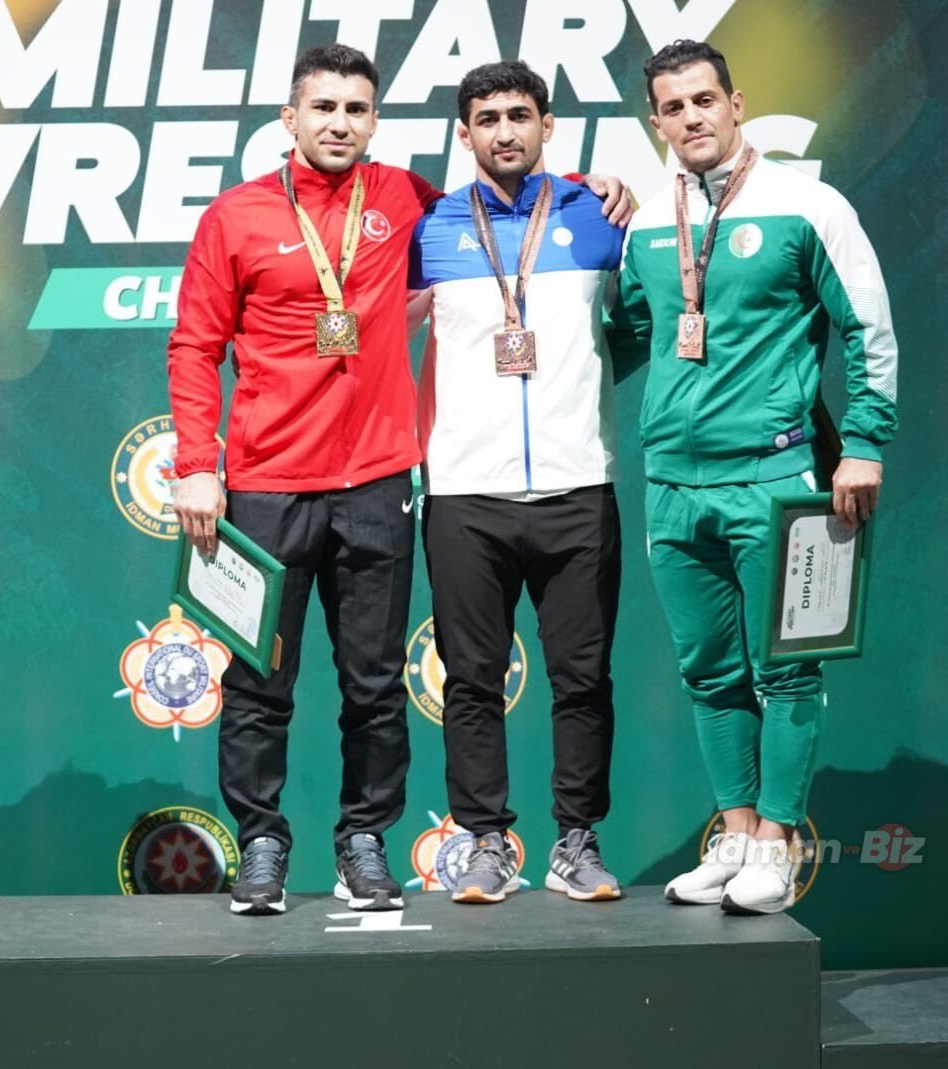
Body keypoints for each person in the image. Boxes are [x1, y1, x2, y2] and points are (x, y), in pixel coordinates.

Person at [169, 44, 633, 916]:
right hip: (264, 485)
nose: (340, 122)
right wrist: (198, 464)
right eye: (324, 107)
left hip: (377, 482)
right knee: (259, 682)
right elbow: (194, 346)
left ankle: (364, 841)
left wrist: (589, 186)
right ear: (290, 119)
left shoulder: (406, 202)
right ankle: (262, 841)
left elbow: (510, 196)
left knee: (376, 685)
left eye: (356, 108)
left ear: (376, 121)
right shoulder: (235, 216)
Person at [605, 41, 897, 914]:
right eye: (673, 106)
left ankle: (777, 840)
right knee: (709, 671)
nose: (691, 117)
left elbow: (869, 328)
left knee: (789, 670)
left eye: (705, 99)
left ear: (736, 104)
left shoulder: (808, 205)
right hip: (672, 485)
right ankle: (734, 835)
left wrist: (865, 443)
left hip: (778, 477)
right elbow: (624, 338)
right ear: (656, 122)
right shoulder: (647, 225)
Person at [407, 61, 626, 905]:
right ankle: (486, 839)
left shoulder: (598, 217)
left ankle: (577, 839)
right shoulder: (429, 229)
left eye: (521, 115)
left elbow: (637, 325)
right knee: (470, 679)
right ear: (464, 132)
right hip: (465, 491)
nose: (506, 131)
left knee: (584, 678)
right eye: (489, 118)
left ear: (547, 126)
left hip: (579, 485)